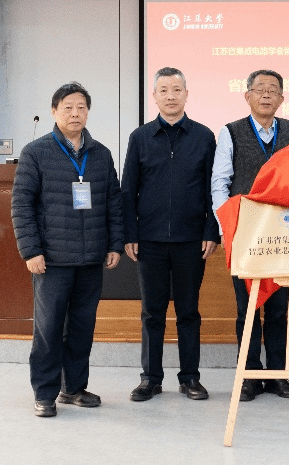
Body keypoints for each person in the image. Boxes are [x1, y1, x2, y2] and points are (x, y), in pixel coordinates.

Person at [11, 82, 123, 418]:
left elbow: (114, 202)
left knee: (81, 328)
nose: (75, 114)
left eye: (81, 108)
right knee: (48, 330)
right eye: (68, 108)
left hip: (90, 258)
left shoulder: (101, 154)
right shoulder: (36, 152)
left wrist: (114, 243)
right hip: (51, 260)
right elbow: (21, 204)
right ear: (54, 111)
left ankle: (73, 388)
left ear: (88, 112)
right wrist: (31, 251)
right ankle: (44, 393)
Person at [121, 67, 219, 403]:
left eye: (176, 90)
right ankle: (150, 378)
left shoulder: (204, 137)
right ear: (154, 96)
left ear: (186, 94)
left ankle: (190, 377)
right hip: (149, 240)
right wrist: (130, 233)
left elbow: (214, 189)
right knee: (152, 312)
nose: (171, 96)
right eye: (163, 90)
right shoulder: (140, 137)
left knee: (189, 311)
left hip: (192, 240)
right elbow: (128, 189)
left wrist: (211, 230)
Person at [211, 69, 289, 402]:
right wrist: (226, 225)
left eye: (272, 90)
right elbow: (220, 182)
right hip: (245, 232)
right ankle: (249, 374)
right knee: (246, 307)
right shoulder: (231, 132)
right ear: (247, 95)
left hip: (283, 234)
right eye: (259, 89)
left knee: (278, 307)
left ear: (281, 98)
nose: (266, 95)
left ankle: (277, 374)